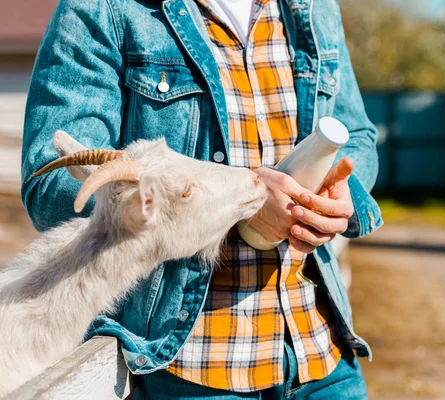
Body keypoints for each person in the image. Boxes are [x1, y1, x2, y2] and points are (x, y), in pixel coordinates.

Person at [21, 0, 382, 398]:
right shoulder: (102, 8)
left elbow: (359, 134)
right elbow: (53, 187)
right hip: (192, 367)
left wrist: (341, 190)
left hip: (322, 354)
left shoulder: (313, 7)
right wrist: (217, 212)